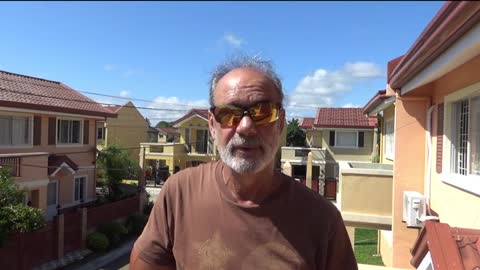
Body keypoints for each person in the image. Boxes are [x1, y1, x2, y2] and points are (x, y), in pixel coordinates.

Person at [130, 55, 358, 269]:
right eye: (229, 113)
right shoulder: (178, 193)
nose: (246, 127)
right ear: (212, 124)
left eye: (263, 112)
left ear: (280, 123)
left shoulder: (322, 220)